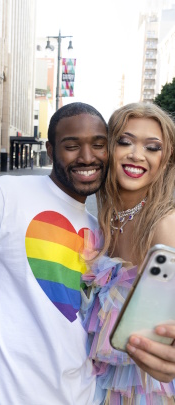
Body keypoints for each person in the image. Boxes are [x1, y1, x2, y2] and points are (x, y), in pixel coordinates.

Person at [0, 102, 175, 404]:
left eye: (98, 145)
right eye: (72, 146)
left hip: (85, 396)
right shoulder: (7, 194)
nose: (87, 156)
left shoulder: (102, 233)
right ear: (50, 151)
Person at [81, 102, 175, 404]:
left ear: (166, 159)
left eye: (152, 147)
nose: (137, 154)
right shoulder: (108, 217)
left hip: (145, 389)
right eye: (125, 141)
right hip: (103, 382)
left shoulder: (164, 225)